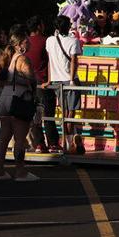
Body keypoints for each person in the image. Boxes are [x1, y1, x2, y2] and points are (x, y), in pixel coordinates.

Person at [0, 30, 40, 183]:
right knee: (20, 138)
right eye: (26, 41)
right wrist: (30, 84)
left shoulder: (7, 58)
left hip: (5, 98)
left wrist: (6, 84)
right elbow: (31, 77)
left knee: (4, 137)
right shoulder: (22, 59)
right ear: (20, 45)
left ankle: (0, 171)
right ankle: (20, 172)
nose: (29, 43)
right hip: (19, 99)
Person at [45, 15, 83, 154]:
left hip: (56, 79)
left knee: (63, 112)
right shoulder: (73, 41)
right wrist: (72, 79)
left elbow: (50, 60)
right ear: (68, 27)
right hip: (69, 79)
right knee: (70, 114)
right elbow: (73, 61)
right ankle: (68, 143)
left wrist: (49, 79)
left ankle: (69, 140)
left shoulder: (49, 40)